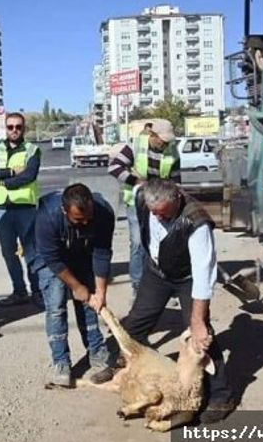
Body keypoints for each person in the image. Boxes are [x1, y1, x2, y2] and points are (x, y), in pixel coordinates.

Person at [120, 178, 235, 424]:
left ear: (177, 199)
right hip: (157, 271)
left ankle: (221, 395)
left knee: (200, 337)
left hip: (188, 277)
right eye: (154, 213)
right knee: (134, 325)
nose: (158, 218)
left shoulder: (197, 223)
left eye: (164, 214)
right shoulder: (142, 195)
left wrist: (197, 320)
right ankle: (134, 372)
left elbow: (204, 275)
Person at [34, 183, 116, 387]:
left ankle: (97, 352)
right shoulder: (48, 217)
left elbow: (102, 253)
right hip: (52, 259)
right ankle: (61, 362)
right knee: (56, 308)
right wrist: (76, 286)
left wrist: (100, 292)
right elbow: (52, 259)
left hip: (83, 253)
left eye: (89, 216)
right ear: (64, 211)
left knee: (89, 303)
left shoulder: (103, 213)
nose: (86, 221)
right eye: (79, 219)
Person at [108, 119, 180, 296]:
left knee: (161, 242)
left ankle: (161, 284)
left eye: (167, 142)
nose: (164, 145)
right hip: (136, 202)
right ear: (153, 136)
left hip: (160, 202)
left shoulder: (172, 151)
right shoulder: (134, 146)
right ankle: (138, 286)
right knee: (139, 243)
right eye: (162, 141)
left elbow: (177, 180)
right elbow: (114, 168)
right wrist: (137, 181)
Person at [0, 112, 44, 309]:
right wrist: (8, 172)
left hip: (25, 208)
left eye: (18, 127)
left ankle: (37, 292)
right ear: (5, 128)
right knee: (9, 253)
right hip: (1, 210)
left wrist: (5, 183)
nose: (14, 130)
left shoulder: (32, 150)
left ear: (24, 129)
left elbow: (29, 176)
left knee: (31, 252)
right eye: (10, 127)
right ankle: (19, 291)